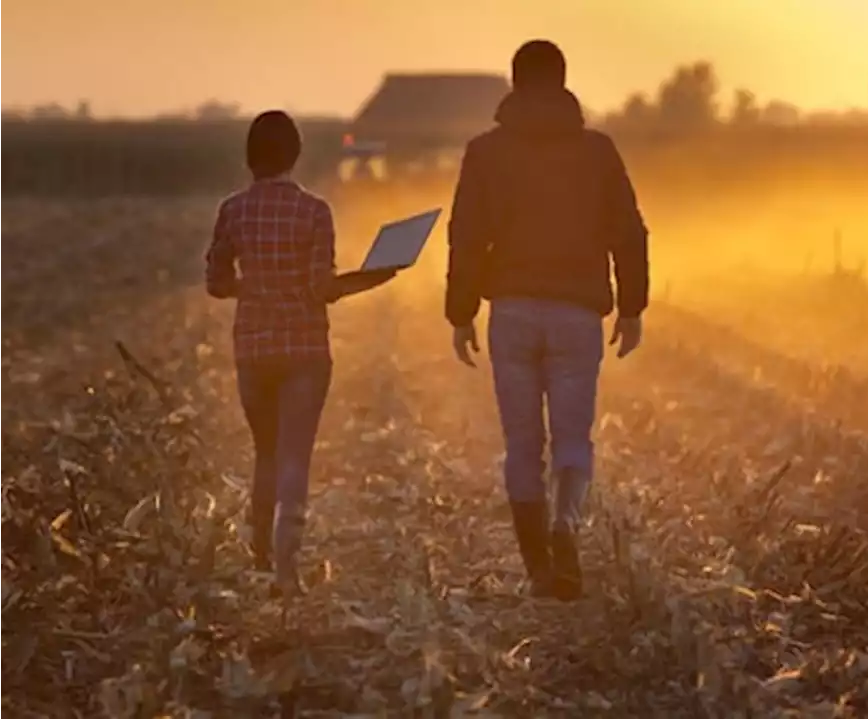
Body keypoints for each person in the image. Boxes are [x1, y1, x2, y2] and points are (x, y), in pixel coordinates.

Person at [445, 40, 650, 601]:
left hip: (509, 312)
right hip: (577, 313)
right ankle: (566, 531)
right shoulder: (598, 151)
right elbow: (628, 231)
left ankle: (538, 567)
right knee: (573, 438)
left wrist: (461, 313)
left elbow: (465, 235)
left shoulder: (484, 153)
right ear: (563, 81)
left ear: (513, 83)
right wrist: (632, 305)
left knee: (520, 444)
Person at [205, 110, 396, 593]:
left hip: (252, 348)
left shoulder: (232, 210)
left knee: (264, 454)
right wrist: (371, 277)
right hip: (305, 350)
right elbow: (320, 288)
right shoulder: (315, 212)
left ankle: (261, 559)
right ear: (295, 155)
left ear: (250, 156)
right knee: (295, 457)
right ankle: (288, 572)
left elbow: (216, 282)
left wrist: (253, 287)